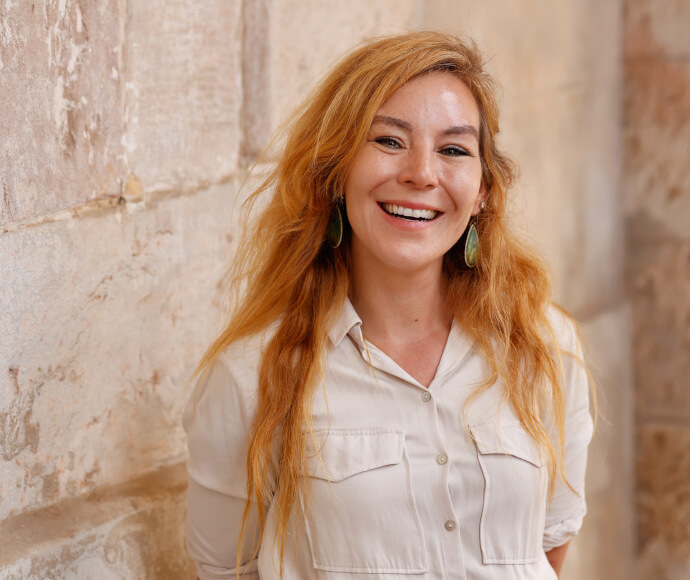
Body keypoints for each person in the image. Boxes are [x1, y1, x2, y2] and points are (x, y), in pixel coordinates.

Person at [183, 30, 596, 580]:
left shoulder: (545, 343)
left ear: (482, 193)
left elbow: (551, 540)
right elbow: (226, 571)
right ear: (334, 173)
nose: (421, 174)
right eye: (389, 141)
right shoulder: (249, 376)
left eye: (453, 149)